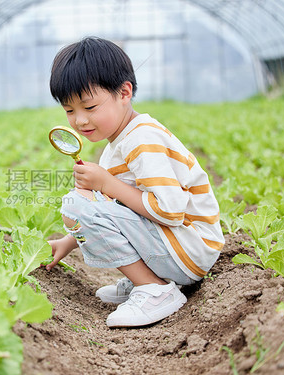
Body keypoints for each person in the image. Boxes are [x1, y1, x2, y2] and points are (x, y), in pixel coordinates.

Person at [45, 37, 224, 327]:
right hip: (179, 247)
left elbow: (170, 211)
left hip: (189, 251)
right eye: (69, 110)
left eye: (89, 107)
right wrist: (68, 242)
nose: (79, 120)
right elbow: (111, 209)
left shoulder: (142, 139)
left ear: (124, 92)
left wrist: (106, 183)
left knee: (75, 204)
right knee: (83, 203)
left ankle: (154, 288)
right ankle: (153, 278)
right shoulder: (120, 141)